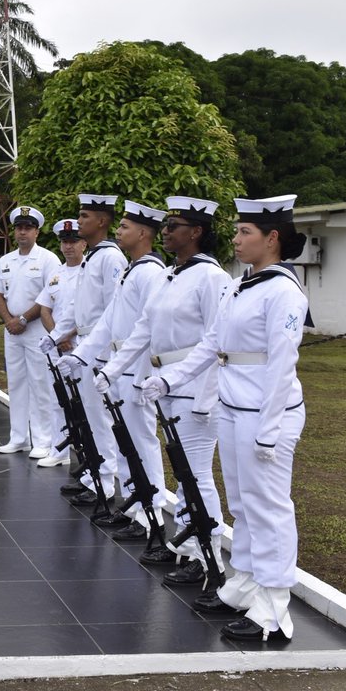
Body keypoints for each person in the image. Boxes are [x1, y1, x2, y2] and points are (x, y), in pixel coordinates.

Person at [143, 194, 309, 642]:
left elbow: (280, 364)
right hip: (235, 409)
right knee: (242, 504)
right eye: (236, 231)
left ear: (272, 238)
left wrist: (272, 430)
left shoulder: (283, 291)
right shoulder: (241, 284)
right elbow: (212, 344)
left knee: (269, 508)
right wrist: (171, 379)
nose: (235, 239)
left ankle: (274, 606)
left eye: (245, 232)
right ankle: (247, 582)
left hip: (266, 414)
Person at [100, 196, 229, 582]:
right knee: (183, 474)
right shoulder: (173, 274)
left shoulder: (212, 277)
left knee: (197, 476)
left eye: (175, 226)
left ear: (196, 232)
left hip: (194, 389)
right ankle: (188, 546)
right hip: (166, 385)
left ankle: (208, 556)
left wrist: (207, 399)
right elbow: (143, 330)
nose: (167, 232)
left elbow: (214, 342)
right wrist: (112, 369)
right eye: (166, 225)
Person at [58, 201, 168, 540]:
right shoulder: (130, 269)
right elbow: (107, 321)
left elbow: (149, 328)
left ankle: (153, 517)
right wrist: (82, 355)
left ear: (143, 233)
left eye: (124, 227)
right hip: (116, 362)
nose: (119, 232)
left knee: (141, 439)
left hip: (134, 366)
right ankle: (136, 506)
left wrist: (133, 371)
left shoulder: (148, 271)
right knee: (125, 439)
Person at [47, 194, 128, 502]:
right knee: (88, 416)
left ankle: (105, 484)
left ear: (102, 221)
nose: (78, 221)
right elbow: (79, 308)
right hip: (85, 345)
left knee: (101, 418)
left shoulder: (111, 258)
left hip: (100, 348)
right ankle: (95, 473)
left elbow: (113, 309)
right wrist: (58, 335)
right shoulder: (92, 257)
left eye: (84, 216)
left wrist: (101, 351)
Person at [0, 206, 60, 456]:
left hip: (37, 330)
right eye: (19, 227)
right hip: (12, 331)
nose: (22, 232)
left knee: (41, 384)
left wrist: (22, 319)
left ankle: (43, 440)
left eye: (28, 228)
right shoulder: (7, 260)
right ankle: (19, 437)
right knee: (16, 383)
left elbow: (50, 295)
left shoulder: (48, 259)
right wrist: (9, 320)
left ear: (37, 232)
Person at [34, 219, 87, 468]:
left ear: (84, 243)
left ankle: (90, 454)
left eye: (73, 241)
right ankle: (60, 449)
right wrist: (57, 337)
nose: (68, 247)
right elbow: (45, 307)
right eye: (64, 242)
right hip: (57, 346)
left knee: (86, 402)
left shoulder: (90, 271)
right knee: (59, 399)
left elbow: (93, 310)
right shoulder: (56, 274)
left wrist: (67, 337)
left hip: (82, 347)